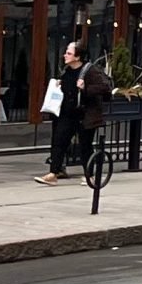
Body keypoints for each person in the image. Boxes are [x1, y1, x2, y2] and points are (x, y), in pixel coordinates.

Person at [37, 42, 87, 183]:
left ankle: (89, 174)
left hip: (83, 114)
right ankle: (54, 173)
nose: (65, 55)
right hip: (66, 113)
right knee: (59, 142)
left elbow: (102, 90)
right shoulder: (66, 71)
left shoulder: (87, 71)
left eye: (69, 53)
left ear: (77, 57)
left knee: (85, 145)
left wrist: (84, 88)